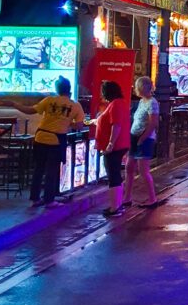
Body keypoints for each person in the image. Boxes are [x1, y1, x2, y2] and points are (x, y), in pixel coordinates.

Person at [14, 76, 84, 209]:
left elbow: (30, 110)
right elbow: (79, 126)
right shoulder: (75, 105)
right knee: (51, 170)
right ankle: (49, 200)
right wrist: (67, 123)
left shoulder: (49, 100)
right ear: (69, 90)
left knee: (38, 169)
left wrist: (14, 104)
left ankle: (35, 199)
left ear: (57, 90)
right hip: (56, 140)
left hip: (40, 137)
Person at [94, 80, 133, 218]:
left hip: (115, 146)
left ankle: (115, 207)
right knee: (115, 174)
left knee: (113, 175)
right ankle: (118, 205)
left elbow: (116, 125)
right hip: (120, 144)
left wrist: (110, 143)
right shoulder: (119, 103)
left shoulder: (115, 104)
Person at [123, 76, 159, 209]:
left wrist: (143, 138)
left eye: (137, 86)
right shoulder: (141, 101)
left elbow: (153, 122)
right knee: (129, 167)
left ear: (143, 87)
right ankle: (127, 197)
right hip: (134, 137)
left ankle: (152, 198)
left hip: (144, 139)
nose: (135, 89)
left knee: (143, 171)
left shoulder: (152, 102)